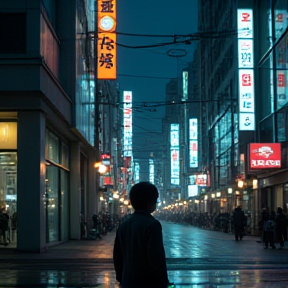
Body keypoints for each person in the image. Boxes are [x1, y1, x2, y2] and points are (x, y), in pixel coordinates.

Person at [113, 182, 170, 288]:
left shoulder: (123, 225)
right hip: (148, 283)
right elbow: (156, 258)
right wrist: (163, 281)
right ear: (150, 203)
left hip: (127, 281)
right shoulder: (152, 224)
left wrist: (121, 278)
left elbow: (117, 256)